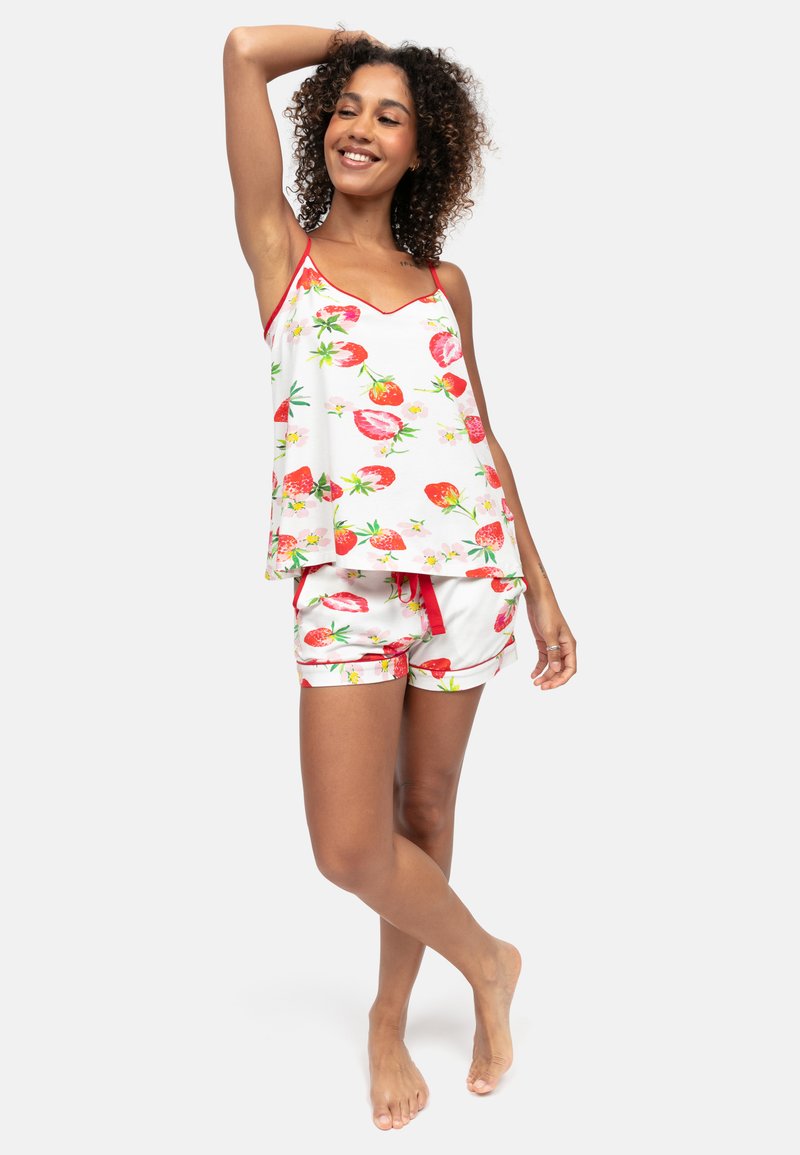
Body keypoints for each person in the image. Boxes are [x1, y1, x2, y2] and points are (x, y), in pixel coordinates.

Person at [223, 23, 577, 1130]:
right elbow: (242, 51)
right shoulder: (283, 255)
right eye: (346, 107)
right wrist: (359, 45)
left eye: (391, 115)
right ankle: (489, 958)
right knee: (348, 846)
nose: (361, 128)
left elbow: (481, 436)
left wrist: (540, 584)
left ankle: (389, 1016)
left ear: (424, 150)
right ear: (319, 123)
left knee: (424, 807)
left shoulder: (443, 285)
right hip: (346, 581)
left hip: (467, 574)